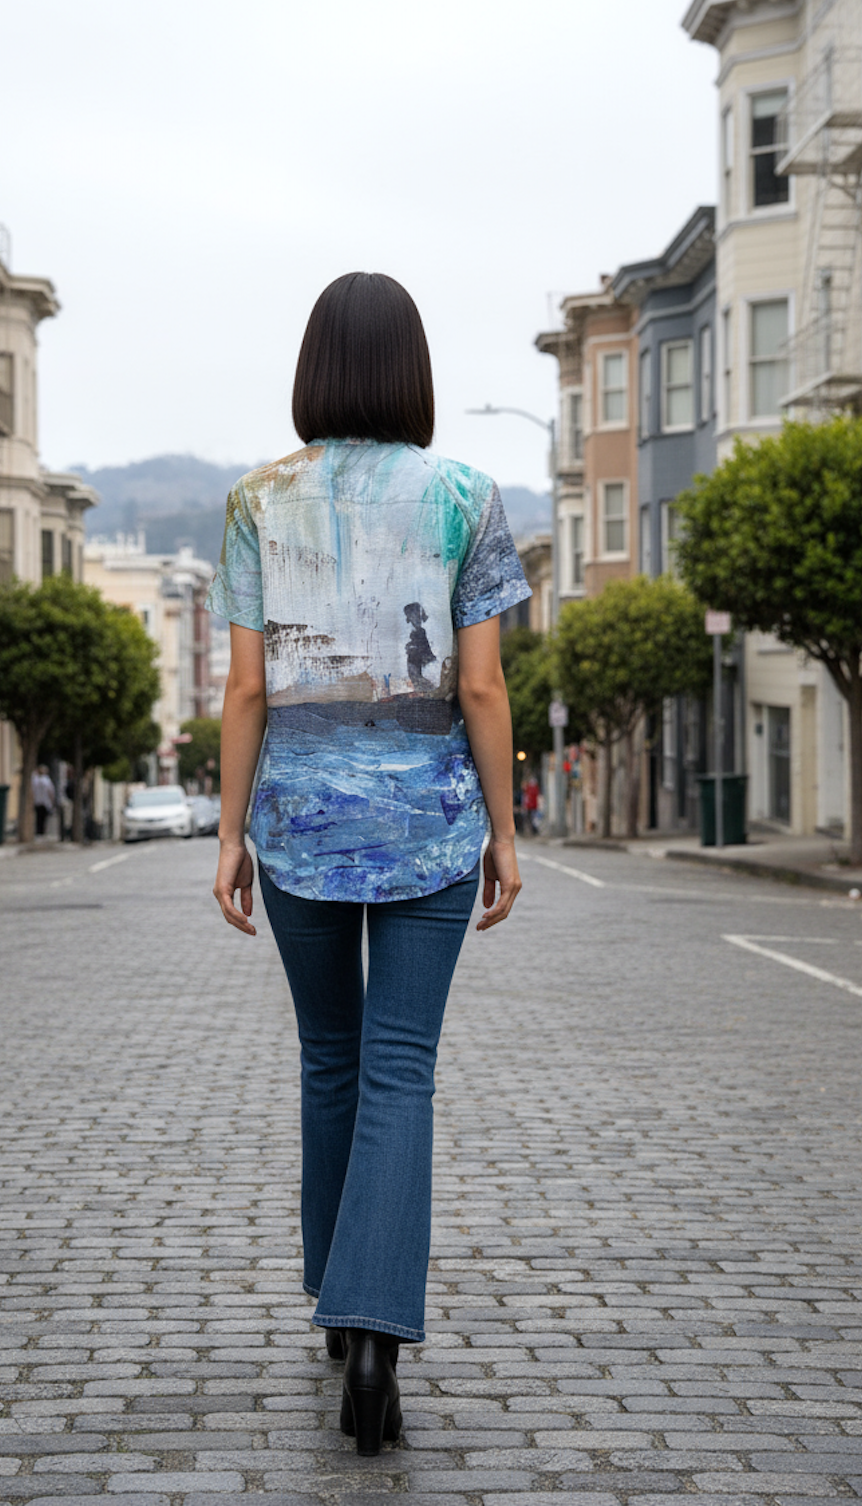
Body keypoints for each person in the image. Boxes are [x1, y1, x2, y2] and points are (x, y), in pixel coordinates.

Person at [207, 272, 529, 1456]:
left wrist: (231, 831)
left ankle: (338, 1310)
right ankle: (375, 1328)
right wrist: (503, 828)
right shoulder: (466, 496)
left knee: (329, 1061)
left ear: (315, 367)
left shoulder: (256, 500)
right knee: (402, 1068)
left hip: (298, 825)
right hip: (433, 829)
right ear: (413, 369)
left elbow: (246, 686)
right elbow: (482, 683)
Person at [31, 764, 56, 838]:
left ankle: (38, 832)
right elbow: (51, 791)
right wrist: (52, 801)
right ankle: (42, 832)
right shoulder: (47, 780)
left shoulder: (35, 780)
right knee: (43, 819)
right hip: (45, 802)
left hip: (37, 801)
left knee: (38, 818)